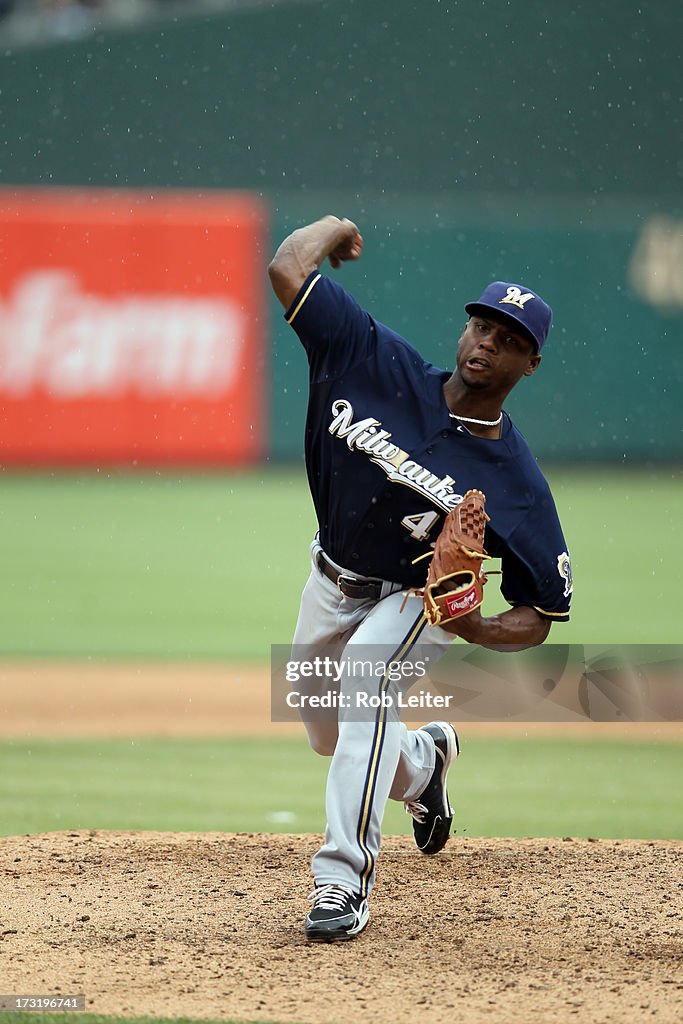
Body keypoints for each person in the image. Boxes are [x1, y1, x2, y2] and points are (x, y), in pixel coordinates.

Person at [268, 215, 572, 943]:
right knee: (326, 732)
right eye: (484, 327)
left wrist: (468, 622)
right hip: (329, 576)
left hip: (412, 598)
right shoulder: (371, 360)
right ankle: (424, 758)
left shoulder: (517, 485)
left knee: (365, 682)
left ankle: (342, 882)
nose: (489, 344)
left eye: (511, 341)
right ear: (464, 330)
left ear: (528, 365)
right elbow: (287, 266)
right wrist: (334, 227)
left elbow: (538, 614)